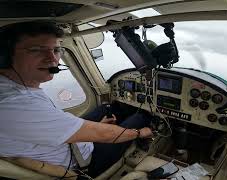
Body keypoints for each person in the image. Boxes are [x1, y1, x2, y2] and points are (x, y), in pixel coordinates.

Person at [0, 21, 153, 177]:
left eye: (56, 49)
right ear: (5, 55)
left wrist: (94, 129)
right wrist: (140, 133)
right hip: (83, 163)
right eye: (36, 50)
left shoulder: (12, 87)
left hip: (66, 146)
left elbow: (43, 127)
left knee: (108, 109)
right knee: (141, 117)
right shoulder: (14, 105)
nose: (52, 58)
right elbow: (104, 135)